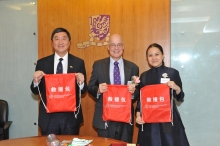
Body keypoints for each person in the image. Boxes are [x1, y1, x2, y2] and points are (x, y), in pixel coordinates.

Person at [30, 27, 87, 135]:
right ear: (52, 43)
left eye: (64, 39)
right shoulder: (42, 63)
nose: (60, 42)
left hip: (70, 118)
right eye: (56, 39)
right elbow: (35, 91)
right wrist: (36, 81)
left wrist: (81, 83)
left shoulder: (78, 62)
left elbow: (83, 91)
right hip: (49, 118)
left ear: (69, 42)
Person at [87, 34, 139, 143]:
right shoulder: (98, 65)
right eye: (113, 45)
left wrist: (133, 92)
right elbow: (90, 87)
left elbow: (137, 92)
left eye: (119, 45)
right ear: (108, 47)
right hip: (104, 118)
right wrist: (98, 90)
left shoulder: (133, 67)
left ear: (123, 47)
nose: (116, 48)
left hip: (125, 119)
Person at [135, 43, 189, 146]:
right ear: (147, 58)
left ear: (163, 55)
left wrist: (176, 88)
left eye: (157, 54)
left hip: (168, 120)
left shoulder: (173, 73)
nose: (154, 58)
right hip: (150, 122)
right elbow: (140, 101)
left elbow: (180, 97)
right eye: (150, 55)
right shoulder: (144, 76)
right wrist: (138, 115)